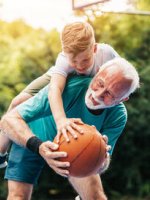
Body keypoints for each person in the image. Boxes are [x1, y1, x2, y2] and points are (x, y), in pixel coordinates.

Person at [1, 58, 140, 200]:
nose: (98, 95)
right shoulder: (68, 88)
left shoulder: (118, 115)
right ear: (97, 73)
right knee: (18, 196)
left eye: (109, 94)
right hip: (31, 136)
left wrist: (102, 159)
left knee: (96, 198)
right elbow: (8, 120)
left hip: (74, 151)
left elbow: (103, 163)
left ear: (123, 99)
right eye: (100, 83)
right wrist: (38, 146)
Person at [0, 21, 121, 168]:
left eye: (85, 60)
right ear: (65, 53)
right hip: (62, 77)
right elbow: (55, 89)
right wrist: (61, 120)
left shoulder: (108, 55)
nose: (79, 65)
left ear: (94, 48)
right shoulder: (64, 61)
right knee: (17, 102)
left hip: (91, 90)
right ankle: (1, 152)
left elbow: (123, 80)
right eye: (73, 61)